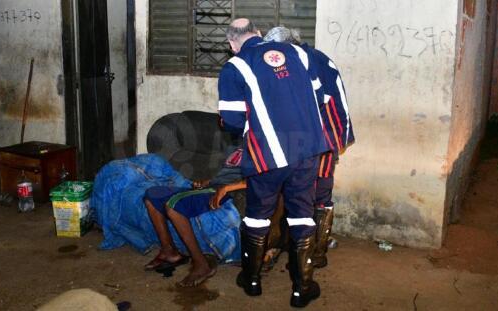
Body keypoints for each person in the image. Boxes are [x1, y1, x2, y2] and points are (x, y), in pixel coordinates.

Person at [218, 18, 328, 307]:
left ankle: (252, 281)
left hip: (266, 154)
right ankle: (301, 287)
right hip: (306, 149)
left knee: (258, 214)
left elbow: (231, 120)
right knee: (302, 213)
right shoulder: (299, 53)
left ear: (232, 44)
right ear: (257, 33)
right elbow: (319, 96)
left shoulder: (234, 67)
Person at [263, 26, 355, 268]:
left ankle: (310, 254)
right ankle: (314, 251)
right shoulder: (316, 57)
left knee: (312, 194)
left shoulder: (301, 62)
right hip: (323, 135)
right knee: (314, 193)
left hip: (317, 137)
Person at [143, 148, 246, 287]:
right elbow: (225, 175)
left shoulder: (261, 147)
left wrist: (226, 188)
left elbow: (263, 179)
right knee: (152, 195)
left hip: (226, 193)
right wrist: (207, 182)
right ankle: (169, 252)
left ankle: (201, 264)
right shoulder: (239, 146)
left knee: (173, 206)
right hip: (213, 187)